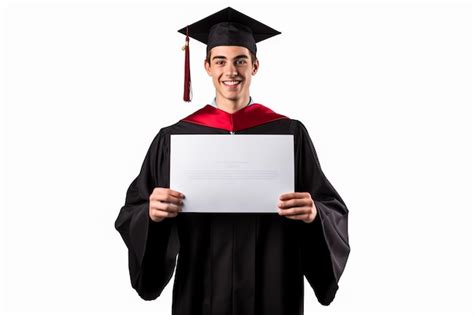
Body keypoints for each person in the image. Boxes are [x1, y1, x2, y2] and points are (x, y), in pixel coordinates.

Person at [115, 7, 350, 315]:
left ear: (255, 65)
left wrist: (314, 214)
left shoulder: (289, 134)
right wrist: (150, 214)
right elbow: (131, 212)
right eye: (220, 61)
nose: (231, 71)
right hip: (201, 292)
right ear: (207, 67)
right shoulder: (174, 138)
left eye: (240, 60)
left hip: (273, 291)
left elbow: (331, 208)